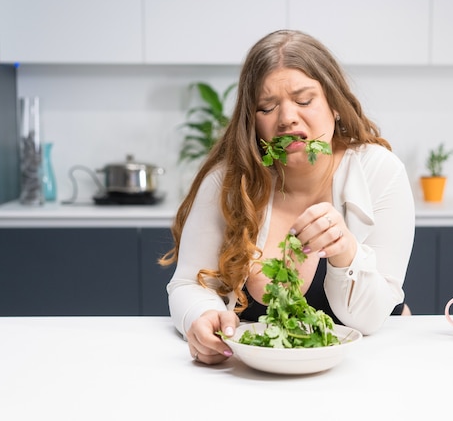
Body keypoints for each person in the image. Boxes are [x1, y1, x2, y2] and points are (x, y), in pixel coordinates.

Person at [161, 29, 415, 365]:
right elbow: (188, 285)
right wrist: (201, 315)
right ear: (252, 121)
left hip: (372, 365)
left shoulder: (379, 172)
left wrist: (346, 251)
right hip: (253, 376)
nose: (286, 118)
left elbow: (369, 320)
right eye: (267, 107)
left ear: (335, 105)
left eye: (304, 100)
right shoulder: (228, 182)